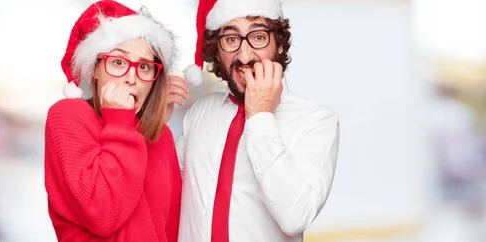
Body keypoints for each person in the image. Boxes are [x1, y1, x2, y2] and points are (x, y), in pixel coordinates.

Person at [176, 0, 341, 241]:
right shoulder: (200, 113)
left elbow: (295, 217)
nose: (244, 56)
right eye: (231, 39)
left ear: (280, 44)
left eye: (258, 36)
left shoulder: (317, 121)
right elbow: (165, 190)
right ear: (217, 51)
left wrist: (260, 116)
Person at [44, 1, 182, 241]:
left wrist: (149, 127)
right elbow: (102, 215)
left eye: (145, 66)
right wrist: (120, 122)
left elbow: (169, 227)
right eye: (118, 62)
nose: (131, 78)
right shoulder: (67, 115)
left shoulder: (161, 135)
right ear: (95, 70)